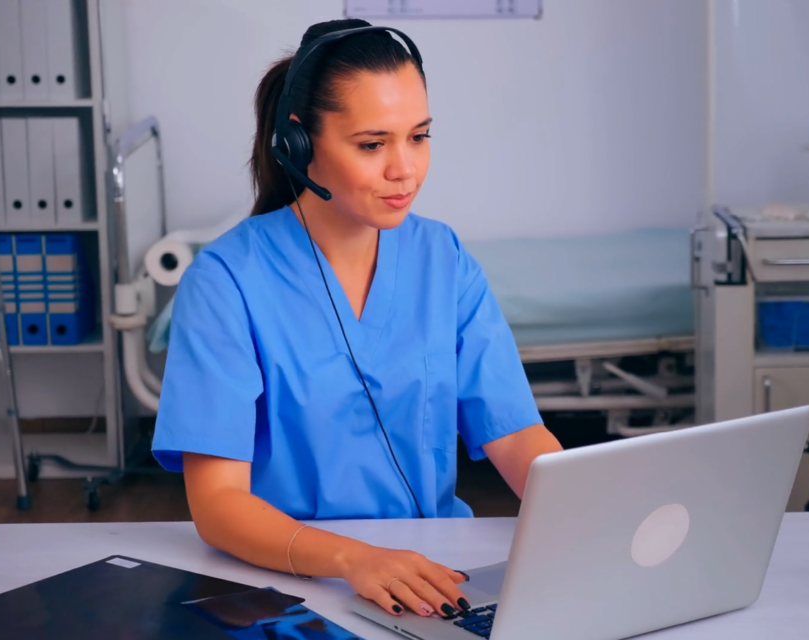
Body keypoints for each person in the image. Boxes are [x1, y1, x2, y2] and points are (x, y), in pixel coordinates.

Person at [151, 18, 563, 620]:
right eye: (373, 145)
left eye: (419, 137)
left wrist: (596, 526)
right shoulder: (225, 282)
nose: (405, 169)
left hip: (436, 580)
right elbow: (217, 504)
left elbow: (518, 436)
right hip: (290, 585)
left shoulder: (442, 257)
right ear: (298, 143)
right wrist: (353, 560)